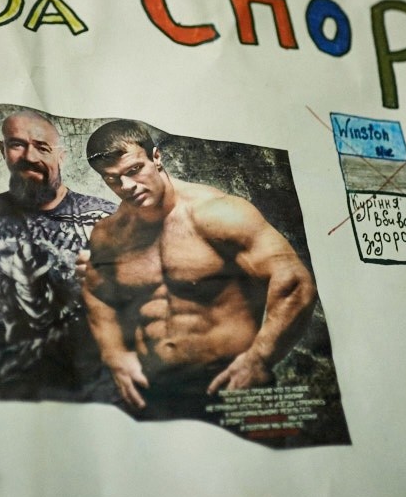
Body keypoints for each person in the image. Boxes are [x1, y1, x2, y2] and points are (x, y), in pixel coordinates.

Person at [79, 120, 318, 421]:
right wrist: (114, 353)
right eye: (112, 179)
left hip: (230, 384)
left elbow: (294, 282)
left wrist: (259, 358)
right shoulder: (110, 233)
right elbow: (97, 291)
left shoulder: (218, 214)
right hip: (153, 391)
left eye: (134, 170)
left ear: (156, 157)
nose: (127, 186)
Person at [0, 111, 117, 401]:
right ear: (3, 150)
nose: (30, 156)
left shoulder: (107, 220)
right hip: (9, 396)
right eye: (17, 144)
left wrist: (112, 286)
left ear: (61, 156)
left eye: (42, 147)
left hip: (97, 397)